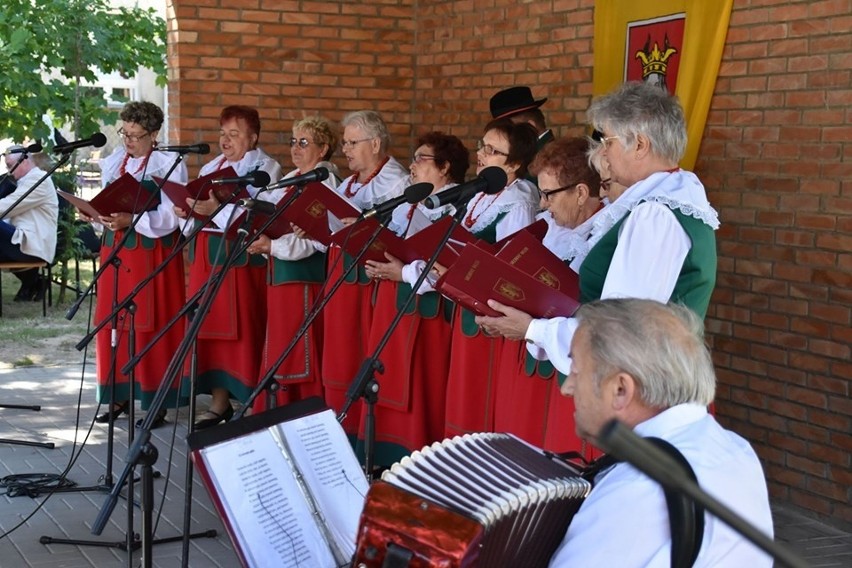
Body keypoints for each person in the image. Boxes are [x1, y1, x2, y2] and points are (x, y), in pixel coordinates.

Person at [477, 81, 720, 378]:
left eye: (608, 142)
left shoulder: (655, 215)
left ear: (640, 145)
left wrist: (532, 329)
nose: (603, 154)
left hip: (646, 388)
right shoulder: (670, 200)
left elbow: (619, 329)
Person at [548, 298, 773, 567]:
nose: (567, 388)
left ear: (621, 390)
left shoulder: (637, 488)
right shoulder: (736, 449)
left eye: (575, 371)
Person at [360, 132, 469, 466]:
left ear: (445, 167)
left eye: (422, 159)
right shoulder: (410, 203)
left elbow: (450, 266)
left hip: (431, 314)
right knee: (389, 378)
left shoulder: (457, 206)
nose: (413, 166)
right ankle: (384, 455)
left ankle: (419, 459)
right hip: (398, 302)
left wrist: (403, 269)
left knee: (423, 385)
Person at [491, 137, 602, 454]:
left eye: (549, 194)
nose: (542, 204)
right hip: (535, 357)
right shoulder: (548, 228)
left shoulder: (604, 237)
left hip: (575, 369)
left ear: (581, 193)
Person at [176, 105, 282, 429]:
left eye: (234, 134)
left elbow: (257, 215)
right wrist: (189, 214)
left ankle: (251, 403)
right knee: (209, 331)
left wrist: (213, 209)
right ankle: (219, 402)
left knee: (246, 332)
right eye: (222, 133)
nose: (225, 140)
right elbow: (203, 213)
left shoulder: (268, 168)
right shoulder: (213, 166)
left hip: (243, 260)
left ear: (253, 137)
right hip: (208, 259)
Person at [84, 101, 188, 428]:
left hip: (150, 252)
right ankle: (118, 396)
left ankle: (156, 400)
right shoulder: (114, 161)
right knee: (114, 321)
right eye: (124, 133)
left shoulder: (168, 163)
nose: (128, 141)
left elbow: (171, 217)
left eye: (136, 135)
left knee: (149, 323)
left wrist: (133, 219)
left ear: (154, 134)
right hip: (116, 251)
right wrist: (98, 215)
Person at [443, 118, 539, 437]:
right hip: (467, 303)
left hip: (491, 315)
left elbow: (513, 267)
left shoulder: (519, 202)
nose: (481, 154)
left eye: (492, 150)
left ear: (514, 163)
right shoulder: (482, 193)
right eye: (481, 146)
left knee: (480, 403)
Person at [321, 110, 408, 442]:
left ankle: (361, 434)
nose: (345, 149)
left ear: (375, 143)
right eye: (344, 143)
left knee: (361, 353)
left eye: (352, 142)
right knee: (339, 355)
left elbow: (398, 235)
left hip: (370, 282)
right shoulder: (348, 182)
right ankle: (338, 428)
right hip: (341, 277)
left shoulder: (397, 181)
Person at [245, 116, 339, 412]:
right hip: (282, 274)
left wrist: (272, 245)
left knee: (300, 353)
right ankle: (276, 410)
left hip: (304, 279)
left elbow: (314, 238)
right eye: (293, 142)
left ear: (323, 149)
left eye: (304, 142)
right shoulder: (293, 177)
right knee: (280, 347)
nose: (295, 148)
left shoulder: (324, 181)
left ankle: (299, 412)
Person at [0, 149, 59, 301]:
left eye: (10, 165)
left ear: (24, 161)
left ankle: (32, 282)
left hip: (33, 246)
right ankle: (32, 282)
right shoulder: (27, 180)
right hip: (23, 241)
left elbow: (8, 206)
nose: (9, 171)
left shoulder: (38, 180)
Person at [489, 86, 554, 149]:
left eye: (510, 130)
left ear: (530, 127)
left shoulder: (542, 157)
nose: (506, 138)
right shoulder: (548, 151)